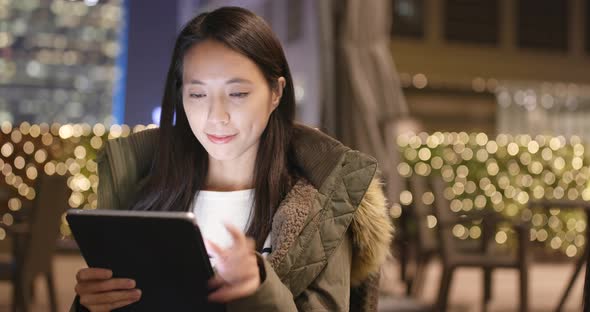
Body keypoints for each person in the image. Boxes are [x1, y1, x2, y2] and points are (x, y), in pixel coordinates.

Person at [70, 6, 392, 312]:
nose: (216, 116)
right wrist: (90, 305)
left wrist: (260, 290)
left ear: (276, 93)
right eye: (197, 94)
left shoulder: (321, 206)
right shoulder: (142, 195)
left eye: (237, 94)